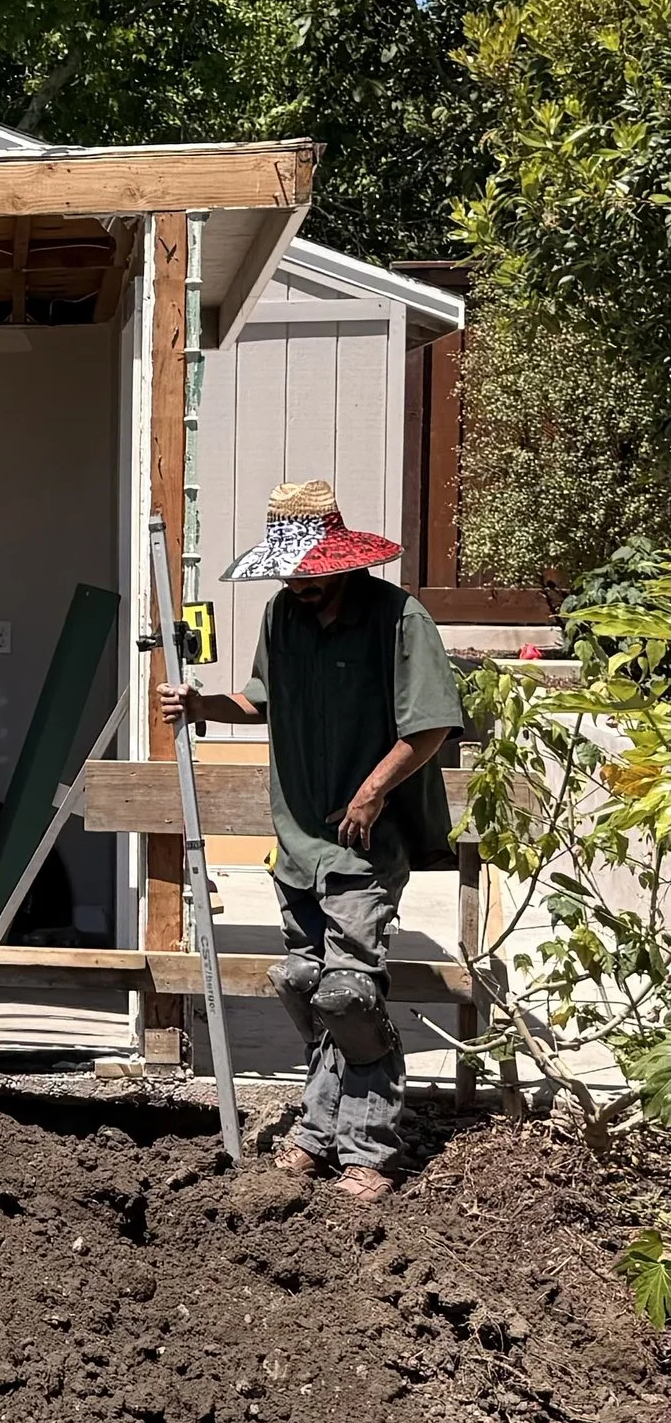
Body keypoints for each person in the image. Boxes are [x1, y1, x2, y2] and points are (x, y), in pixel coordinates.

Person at [159, 477, 460, 1207]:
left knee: (351, 994)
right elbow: (262, 699)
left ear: (341, 561)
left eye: (311, 575)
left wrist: (371, 790)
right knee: (305, 987)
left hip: (363, 843)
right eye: (290, 574)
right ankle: (317, 1129)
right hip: (296, 842)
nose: (300, 586)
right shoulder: (282, 618)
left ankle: (367, 1150)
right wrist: (203, 704)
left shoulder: (399, 619)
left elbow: (429, 725)